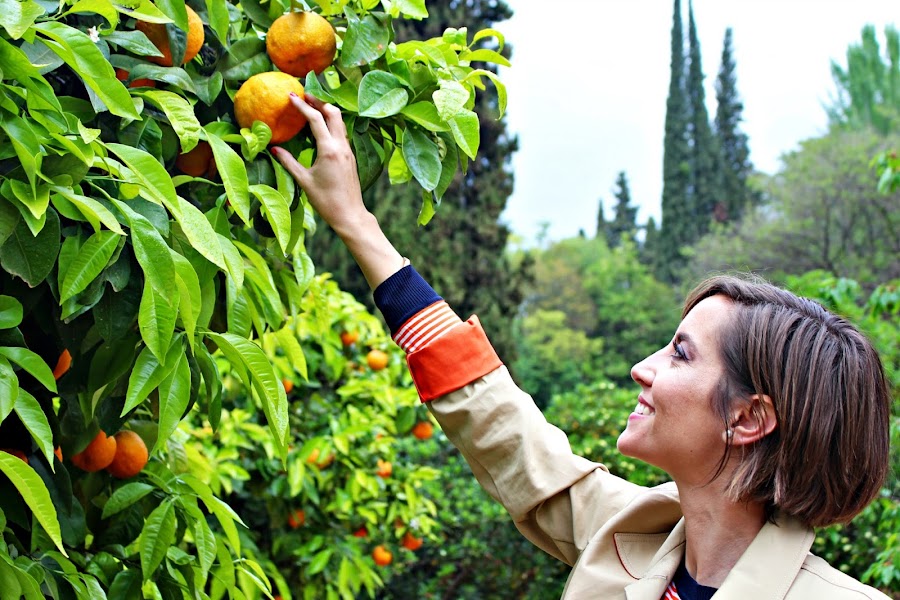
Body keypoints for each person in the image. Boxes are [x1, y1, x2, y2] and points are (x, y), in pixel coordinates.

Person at [273, 92, 894, 600]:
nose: (639, 369)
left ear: (751, 416)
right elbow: (503, 429)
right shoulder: (632, 538)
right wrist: (355, 221)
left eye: (680, 354)